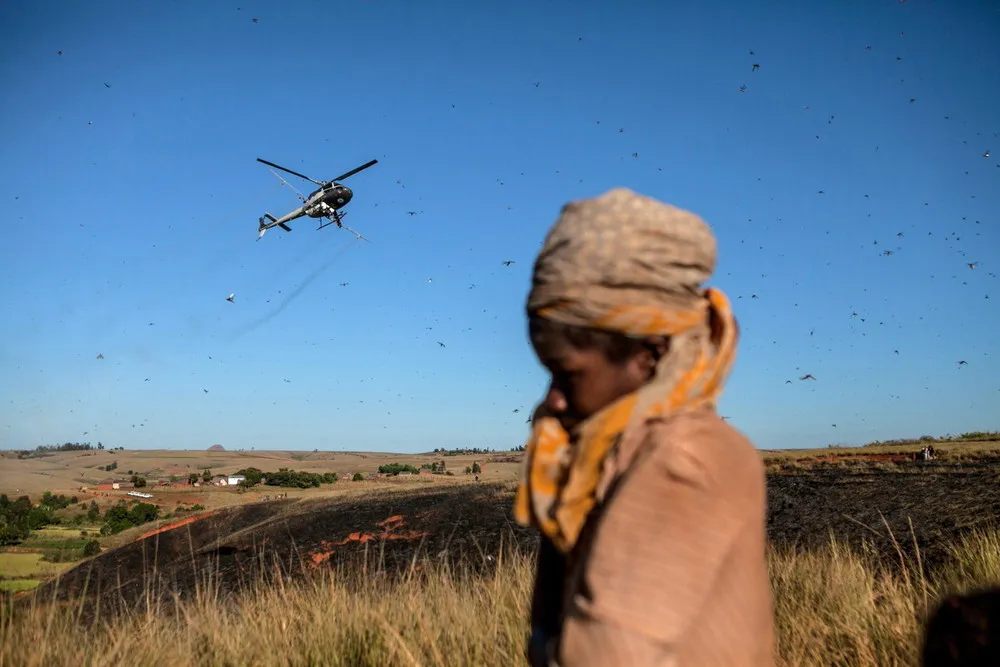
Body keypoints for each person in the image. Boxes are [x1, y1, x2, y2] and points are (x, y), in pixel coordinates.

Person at [513, 188, 774, 666]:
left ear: (648, 354)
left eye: (568, 375)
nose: (552, 399)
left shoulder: (686, 457)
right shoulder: (616, 449)